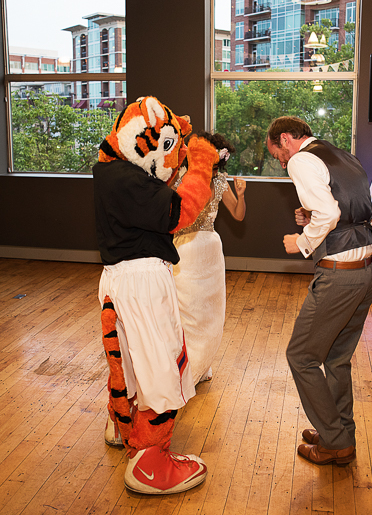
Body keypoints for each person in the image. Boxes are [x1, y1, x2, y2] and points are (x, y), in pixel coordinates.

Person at [93, 96, 220, 495]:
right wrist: (201, 160)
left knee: (129, 363)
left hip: (118, 276)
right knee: (162, 366)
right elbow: (182, 212)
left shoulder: (109, 172)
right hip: (142, 279)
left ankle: (125, 431)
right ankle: (150, 463)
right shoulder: (129, 180)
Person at [265, 116, 372, 466]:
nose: (282, 163)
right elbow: (349, 210)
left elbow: (328, 212)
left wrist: (301, 241)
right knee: (336, 358)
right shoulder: (340, 154)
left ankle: (334, 441)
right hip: (366, 272)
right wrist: (310, 217)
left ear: (286, 139)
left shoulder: (301, 159)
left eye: (278, 155)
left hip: (340, 277)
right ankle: (340, 432)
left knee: (301, 357)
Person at [172, 132, 246, 385]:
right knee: (197, 313)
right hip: (195, 251)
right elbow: (237, 215)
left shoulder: (202, 180)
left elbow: (237, 213)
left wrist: (242, 193)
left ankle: (196, 366)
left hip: (199, 250)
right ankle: (195, 365)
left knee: (198, 312)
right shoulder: (186, 179)